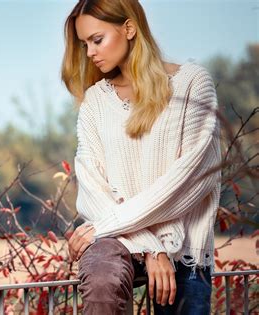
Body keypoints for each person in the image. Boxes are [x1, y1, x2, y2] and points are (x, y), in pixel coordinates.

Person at [61, 0, 222, 314]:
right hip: (119, 246)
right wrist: (150, 246)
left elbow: (192, 180)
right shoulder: (95, 101)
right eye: (84, 44)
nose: (90, 52)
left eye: (97, 40)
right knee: (101, 276)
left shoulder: (192, 85)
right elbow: (93, 189)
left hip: (185, 255)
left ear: (129, 28)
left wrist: (108, 227)